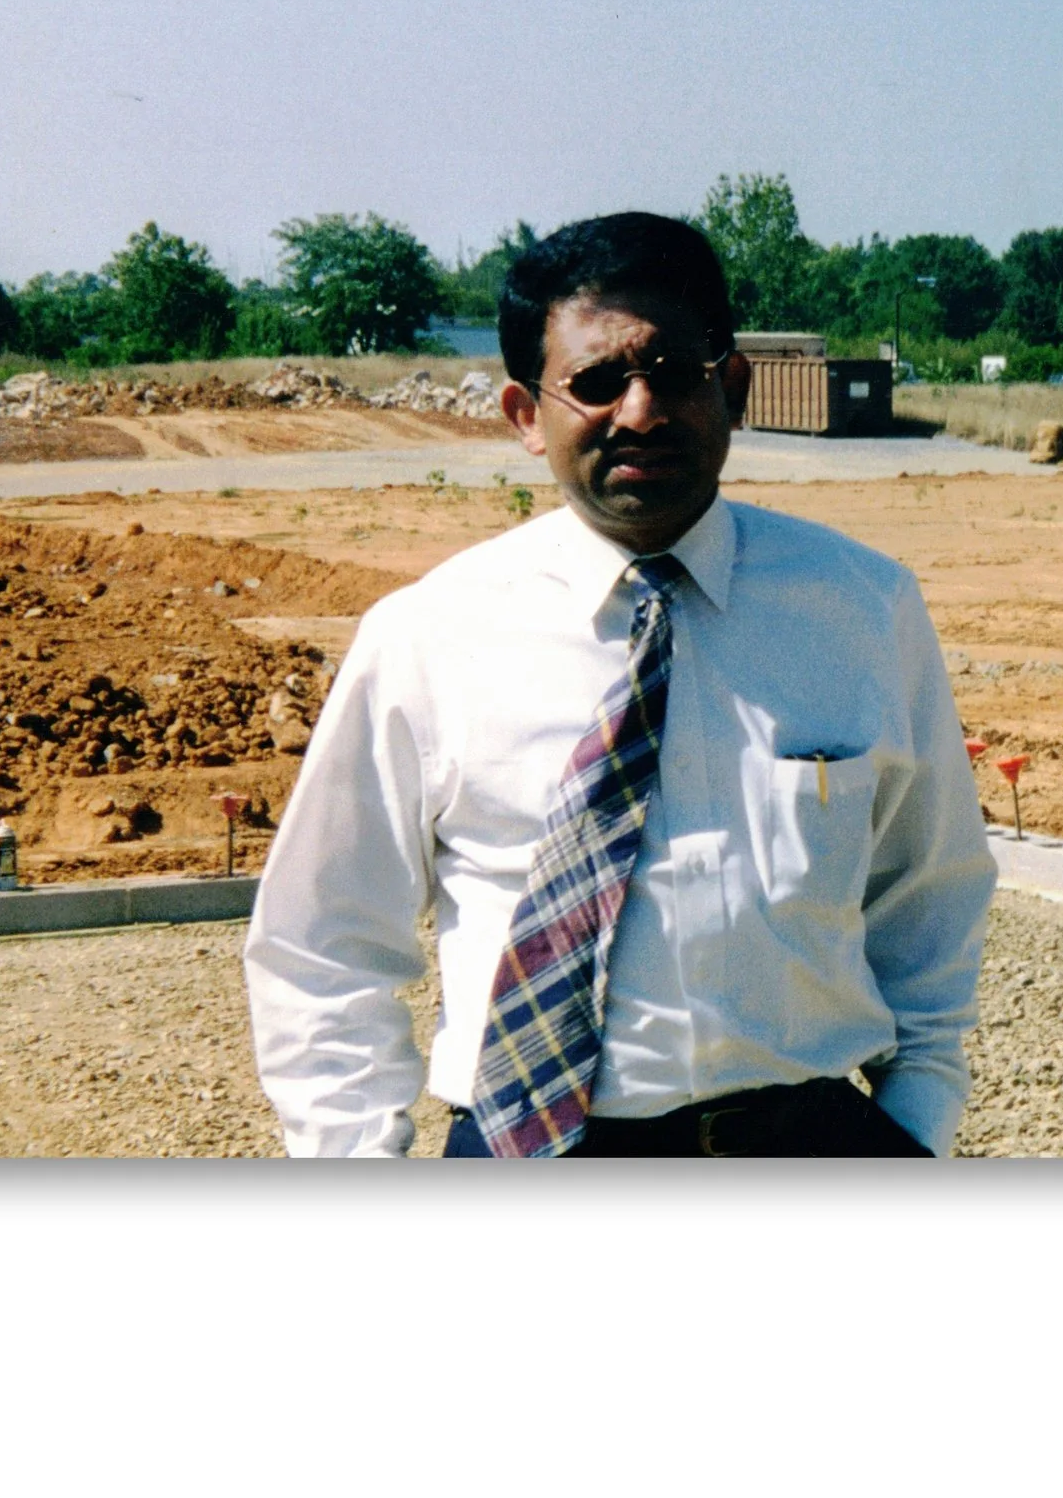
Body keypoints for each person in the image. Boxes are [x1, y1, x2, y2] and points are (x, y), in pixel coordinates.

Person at [243, 212, 998, 1157]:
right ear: (527, 416)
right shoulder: (430, 637)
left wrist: (916, 1120)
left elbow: (930, 892)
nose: (640, 411)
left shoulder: (863, 609)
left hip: (807, 1140)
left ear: (731, 384)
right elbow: (321, 942)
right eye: (596, 383)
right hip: (536, 1151)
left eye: (673, 372)